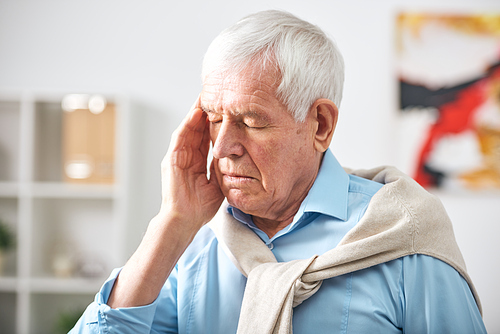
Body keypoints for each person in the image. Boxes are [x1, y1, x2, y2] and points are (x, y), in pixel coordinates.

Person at [71, 10, 486, 333]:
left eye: (252, 122)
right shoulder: (196, 244)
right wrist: (172, 222)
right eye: (214, 118)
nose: (223, 148)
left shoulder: (403, 236)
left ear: (320, 125)